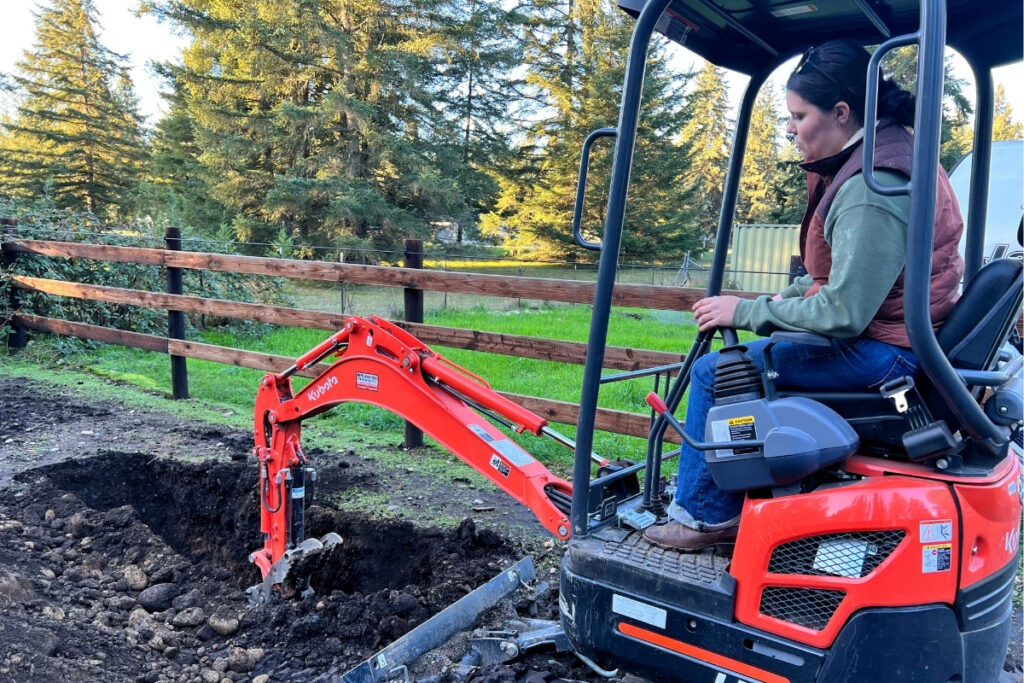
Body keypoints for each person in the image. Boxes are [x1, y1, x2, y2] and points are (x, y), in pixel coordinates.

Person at [644, 40, 965, 551]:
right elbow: (831, 278)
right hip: (897, 339)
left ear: (840, 113)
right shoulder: (883, 156)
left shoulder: (871, 189)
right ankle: (746, 491)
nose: (790, 128)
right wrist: (759, 304)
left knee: (714, 373)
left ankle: (704, 518)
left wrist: (748, 312)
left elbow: (843, 310)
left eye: (798, 115)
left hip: (887, 355)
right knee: (744, 359)